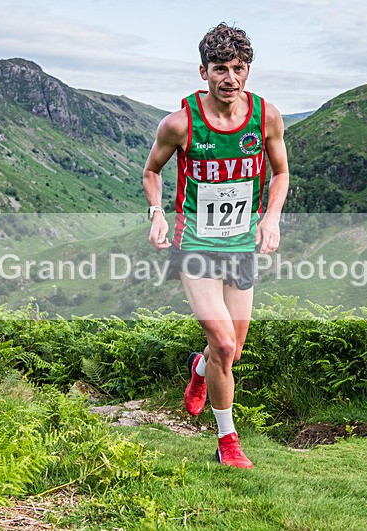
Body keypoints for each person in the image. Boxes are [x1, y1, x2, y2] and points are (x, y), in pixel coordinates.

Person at [142, 23, 289, 468]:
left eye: (239, 68)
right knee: (224, 344)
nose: (230, 79)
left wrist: (271, 217)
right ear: (202, 71)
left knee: (232, 351)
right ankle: (228, 442)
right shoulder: (180, 123)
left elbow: (280, 173)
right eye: (220, 68)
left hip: (242, 244)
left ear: (248, 70)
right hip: (196, 244)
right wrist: (156, 214)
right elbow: (152, 171)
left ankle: (200, 370)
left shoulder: (266, 116)